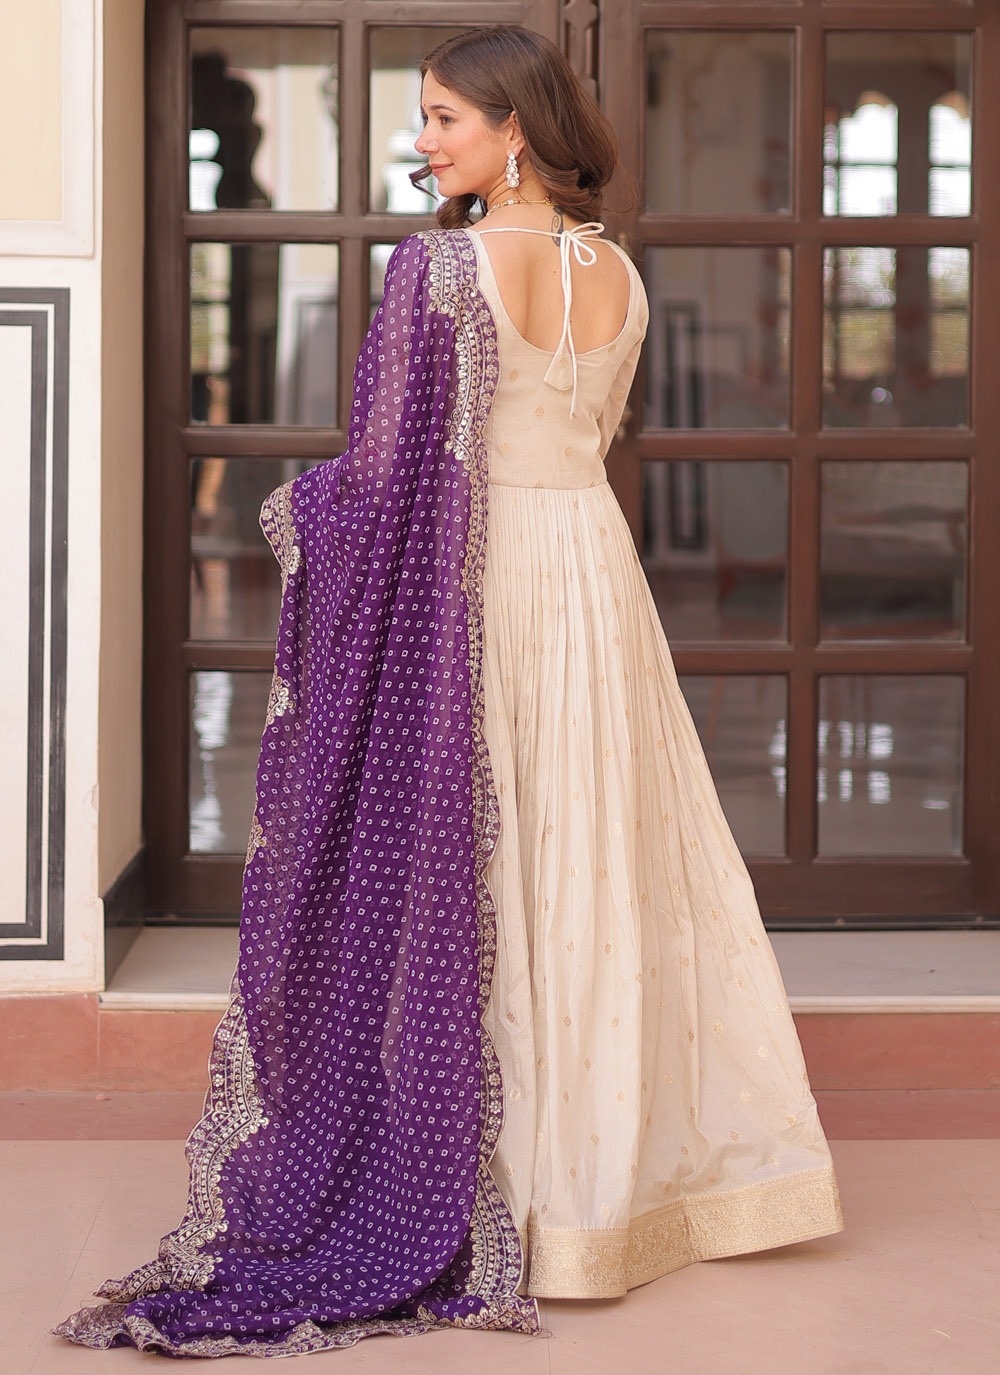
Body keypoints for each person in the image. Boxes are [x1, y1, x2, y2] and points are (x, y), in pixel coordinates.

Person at [53, 24, 842, 1361]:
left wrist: (293, 515)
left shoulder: (443, 268)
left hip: (487, 587)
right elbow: (589, 437)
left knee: (487, 865)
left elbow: (382, 476)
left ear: (512, 127)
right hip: (596, 577)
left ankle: (510, 1197)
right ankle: (615, 1197)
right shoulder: (617, 271)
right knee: (598, 860)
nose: (422, 144)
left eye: (442, 120)